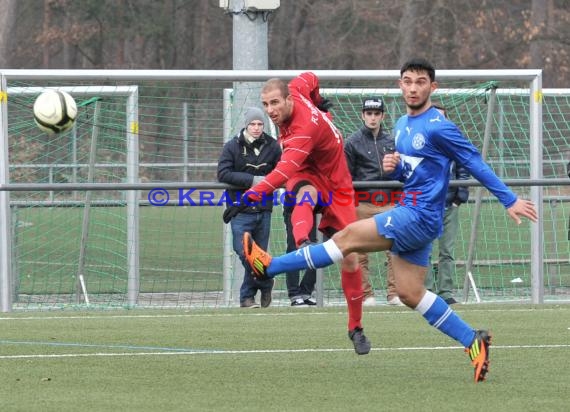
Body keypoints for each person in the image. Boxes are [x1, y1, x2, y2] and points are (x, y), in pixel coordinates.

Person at [243, 58, 538, 382]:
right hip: (416, 216)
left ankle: (268, 266)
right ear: (400, 85)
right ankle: (474, 341)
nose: (413, 87)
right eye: (408, 81)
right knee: (412, 293)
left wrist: (509, 199)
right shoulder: (401, 126)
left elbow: (472, 161)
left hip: (417, 214)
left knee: (346, 239)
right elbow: (415, 174)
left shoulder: (438, 125)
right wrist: (396, 168)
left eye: (420, 82)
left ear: (432, 87)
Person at [243, 72, 370, 354]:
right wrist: (316, 99)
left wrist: (252, 194)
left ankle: (356, 327)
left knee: (350, 260)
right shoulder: (298, 88)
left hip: (338, 184)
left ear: (289, 99)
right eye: (265, 104)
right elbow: (311, 76)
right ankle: (304, 244)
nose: (270, 111)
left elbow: (282, 171)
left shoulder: (302, 130)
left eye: (275, 103)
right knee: (305, 194)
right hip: (308, 172)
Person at [217, 107, 281, 308]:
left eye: (260, 124)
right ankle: (266, 281)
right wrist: (254, 180)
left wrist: (270, 182)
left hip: (263, 209)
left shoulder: (273, 146)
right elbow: (223, 174)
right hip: (240, 210)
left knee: (257, 254)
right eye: (252, 124)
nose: (256, 128)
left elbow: (280, 171)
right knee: (244, 251)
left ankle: (246, 297)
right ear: (246, 125)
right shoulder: (232, 146)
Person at [344, 96, 402, 306]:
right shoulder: (352, 142)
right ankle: (365, 294)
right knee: (359, 251)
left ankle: (394, 293)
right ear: (362, 115)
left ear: (382, 116)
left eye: (376, 113)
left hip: (389, 202)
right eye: (369, 113)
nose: (372, 118)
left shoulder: (392, 142)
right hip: (363, 202)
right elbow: (346, 177)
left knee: (396, 248)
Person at [424, 105, 470, 305]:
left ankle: (445, 292)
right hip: (425, 207)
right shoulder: (420, 142)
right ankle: (426, 291)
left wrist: (460, 197)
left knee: (447, 251)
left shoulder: (454, 143)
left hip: (449, 205)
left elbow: (464, 168)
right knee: (424, 250)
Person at [283, 202, 318, 306]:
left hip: (317, 211)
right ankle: (294, 294)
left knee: (317, 250)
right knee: (295, 250)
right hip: (294, 209)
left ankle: (306, 291)